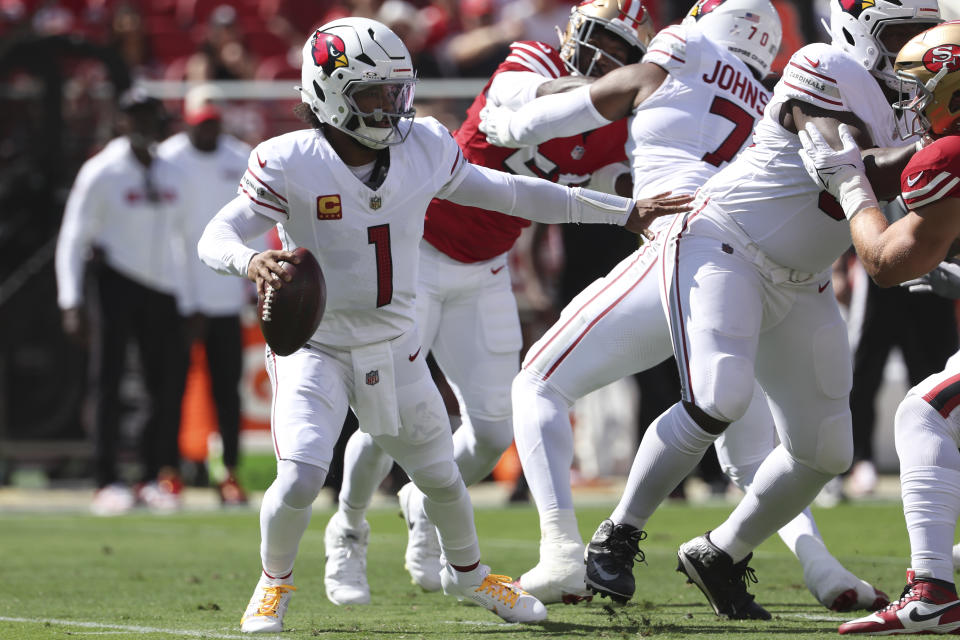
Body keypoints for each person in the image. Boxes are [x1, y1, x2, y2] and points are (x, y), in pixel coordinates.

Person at [195, 17, 691, 633]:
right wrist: (252, 260)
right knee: (299, 474)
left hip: (395, 339)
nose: (389, 107)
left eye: (395, 91)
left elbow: (510, 192)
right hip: (317, 344)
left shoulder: (423, 145)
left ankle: (472, 574)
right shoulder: (290, 160)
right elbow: (215, 235)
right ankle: (274, 583)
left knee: (442, 477)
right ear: (328, 94)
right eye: (372, 93)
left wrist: (622, 214)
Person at [479, 0, 892, 613]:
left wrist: (511, 124)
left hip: (689, 239)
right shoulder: (777, 91)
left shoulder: (682, 48)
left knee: (539, 379)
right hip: (756, 261)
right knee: (753, 442)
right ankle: (821, 568)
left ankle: (569, 550)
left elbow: (608, 92)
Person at [321, 0, 654, 608]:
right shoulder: (534, 59)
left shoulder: (620, 126)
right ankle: (347, 527)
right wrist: (606, 86)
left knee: (494, 428)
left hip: (486, 270)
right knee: (386, 410)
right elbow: (514, 104)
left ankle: (424, 502)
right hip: (417, 252)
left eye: (620, 51)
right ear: (576, 33)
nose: (605, 56)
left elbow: (625, 184)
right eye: (598, 40)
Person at [797, 21, 960, 635]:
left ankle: (932, 593)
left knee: (926, 412)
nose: (913, 102)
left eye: (924, 88)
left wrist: (847, 182)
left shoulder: (947, 155)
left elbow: (885, 263)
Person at [55, 87, 194, 515]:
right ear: (122, 121)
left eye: (150, 116)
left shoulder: (174, 172)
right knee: (108, 383)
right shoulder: (102, 171)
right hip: (114, 282)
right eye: (135, 116)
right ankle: (106, 478)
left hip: (164, 288)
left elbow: (186, 239)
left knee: (163, 386)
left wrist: (191, 298)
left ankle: (155, 475)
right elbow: (73, 237)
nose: (143, 124)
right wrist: (70, 299)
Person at [158, 83, 252, 506]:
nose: (209, 132)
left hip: (226, 296)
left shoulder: (242, 157)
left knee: (227, 391)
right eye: (202, 124)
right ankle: (168, 470)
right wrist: (183, 296)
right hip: (180, 298)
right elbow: (167, 236)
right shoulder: (168, 160)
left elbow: (260, 223)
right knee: (171, 387)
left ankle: (228, 471)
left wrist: (251, 282)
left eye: (214, 123)